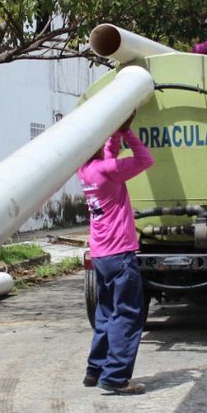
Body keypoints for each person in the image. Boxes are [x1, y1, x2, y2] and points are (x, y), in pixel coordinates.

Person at [78, 112, 154, 395]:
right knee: (128, 315)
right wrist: (128, 134)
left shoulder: (85, 170)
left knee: (106, 313)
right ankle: (116, 377)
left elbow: (108, 155)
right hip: (120, 253)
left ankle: (94, 370)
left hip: (100, 255)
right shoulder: (107, 170)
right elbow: (145, 160)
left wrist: (116, 133)